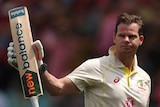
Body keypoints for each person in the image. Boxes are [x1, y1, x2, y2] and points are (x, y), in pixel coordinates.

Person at [7, 12, 151, 107]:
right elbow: (57, 88)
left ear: (141, 40)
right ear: (114, 37)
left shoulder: (145, 78)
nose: (126, 40)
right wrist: (35, 65)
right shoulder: (96, 66)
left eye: (131, 36)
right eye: (121, 36)